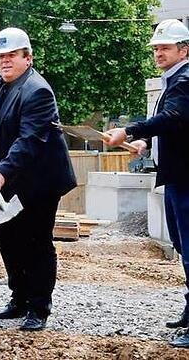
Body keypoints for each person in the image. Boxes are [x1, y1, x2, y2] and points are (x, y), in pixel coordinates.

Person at [0, 27, 76, 331]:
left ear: (28, 58)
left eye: (11, 55)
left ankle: (38, 307)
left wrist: (1, 172)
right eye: (0, 56)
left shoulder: (38, 91)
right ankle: (19, 297)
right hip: (7, 178)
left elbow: (29, 141)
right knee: (6, 236)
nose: (4, 61)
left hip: (39, 182)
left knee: (36, 241)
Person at [105, 19, 189, 348]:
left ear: (184, 50)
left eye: (165, 47)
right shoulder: (173, 80)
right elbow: (175, 129)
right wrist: (146, 143)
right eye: (156, 48)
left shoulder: (184, 81)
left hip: (186, 179)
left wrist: (130, 131)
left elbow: (173, 118)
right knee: (182, 247)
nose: (158, 53)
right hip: (176, 177)